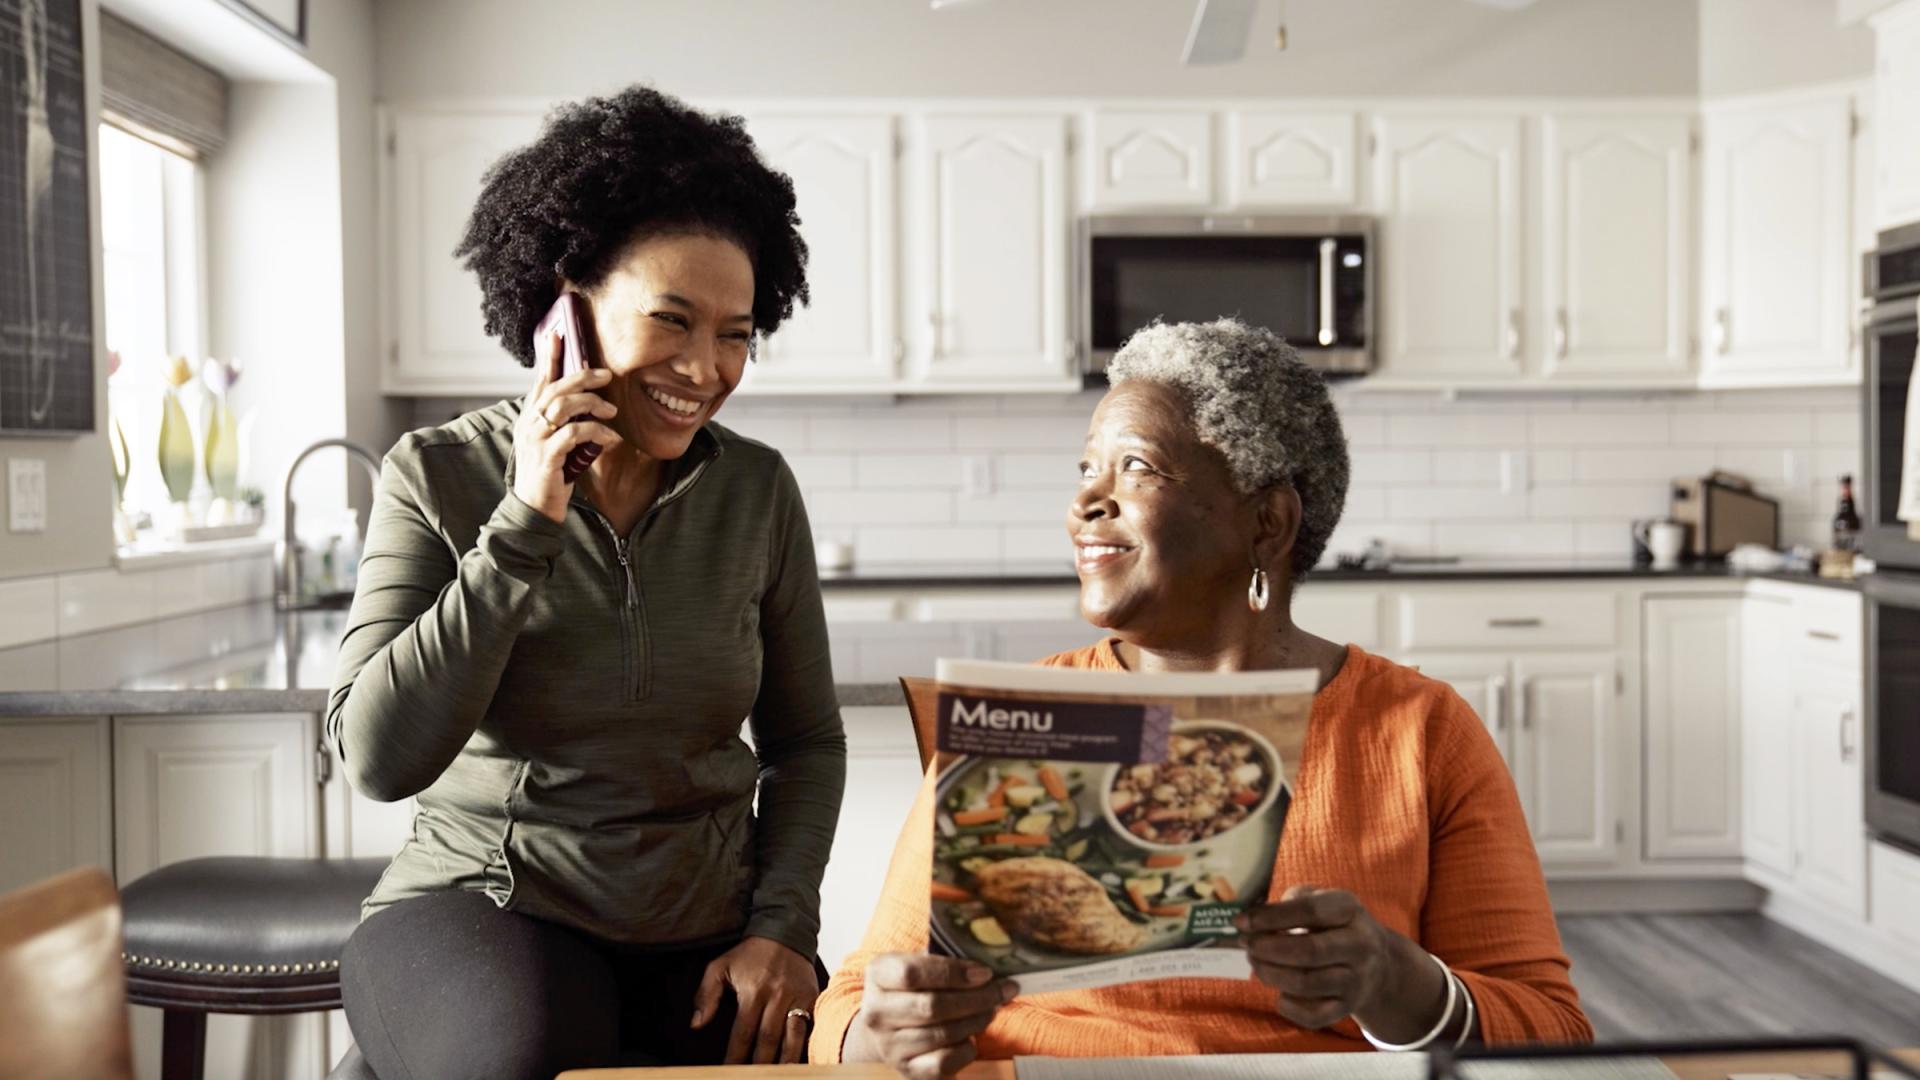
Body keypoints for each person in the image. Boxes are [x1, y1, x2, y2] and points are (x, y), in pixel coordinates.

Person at [811, 319, 1593, 1079]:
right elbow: (847, 1009)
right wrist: (886, 1034)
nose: (1088, 502)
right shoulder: (1023, 718)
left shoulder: (1419, 730)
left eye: (1139, 469)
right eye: (1088, 469)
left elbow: (1552, 1030)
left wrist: (1395, 980)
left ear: (1268, 523)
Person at [327, 86, 845, 1079]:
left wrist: (783, 929)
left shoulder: (757, 491)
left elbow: (806, 741)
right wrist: (526, 518)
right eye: (672, 320)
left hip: (706, 929)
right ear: (567, 307)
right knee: (520, 1054)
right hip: (485, 909)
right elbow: (379, 758)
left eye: (736, 332)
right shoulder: (437, 473)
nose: (705, 367)